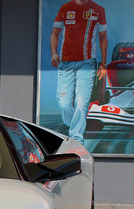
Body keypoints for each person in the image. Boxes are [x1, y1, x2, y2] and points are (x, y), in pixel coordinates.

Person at [50, 0, 107, 144]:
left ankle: (77, 138)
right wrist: (54, 53)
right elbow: (55, 33)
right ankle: (74, 123)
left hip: (87, 63)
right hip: (66, 63)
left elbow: (103, 37)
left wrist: (103, 63)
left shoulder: (98, 9)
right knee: (64, 104)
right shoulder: (65, 8)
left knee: (82, 102)